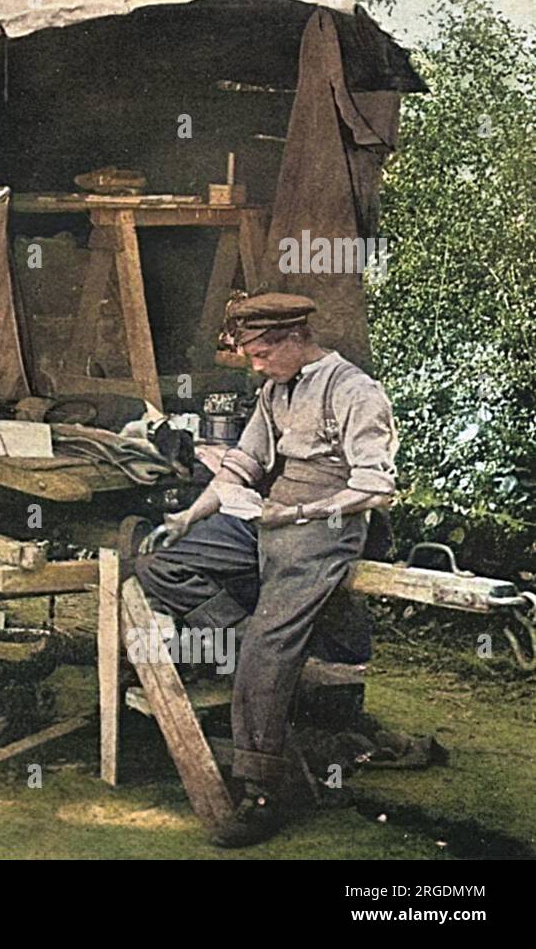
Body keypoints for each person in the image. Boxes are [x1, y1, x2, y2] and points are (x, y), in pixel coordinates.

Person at [134, 291, 398, 848]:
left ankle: (263, 794)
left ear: (295, 339)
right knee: (158, 563)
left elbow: (374, 487)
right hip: (272, 518)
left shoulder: (354, 390)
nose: (254, 365)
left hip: (327, 527)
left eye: (260, 353)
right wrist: (187, 517)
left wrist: (301, 511)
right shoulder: (275, 389)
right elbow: (242, 465)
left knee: (265, 653)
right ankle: (244, 640)